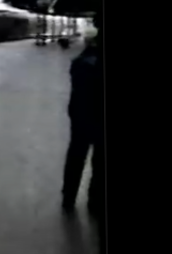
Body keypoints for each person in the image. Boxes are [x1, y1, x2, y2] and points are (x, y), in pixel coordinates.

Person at [61, 25, 104, 216]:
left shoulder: (79, 62)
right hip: (98, 117)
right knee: (99, 161)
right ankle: (94, 199)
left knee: (76, 157)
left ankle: (68, 197)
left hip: (80, 115)